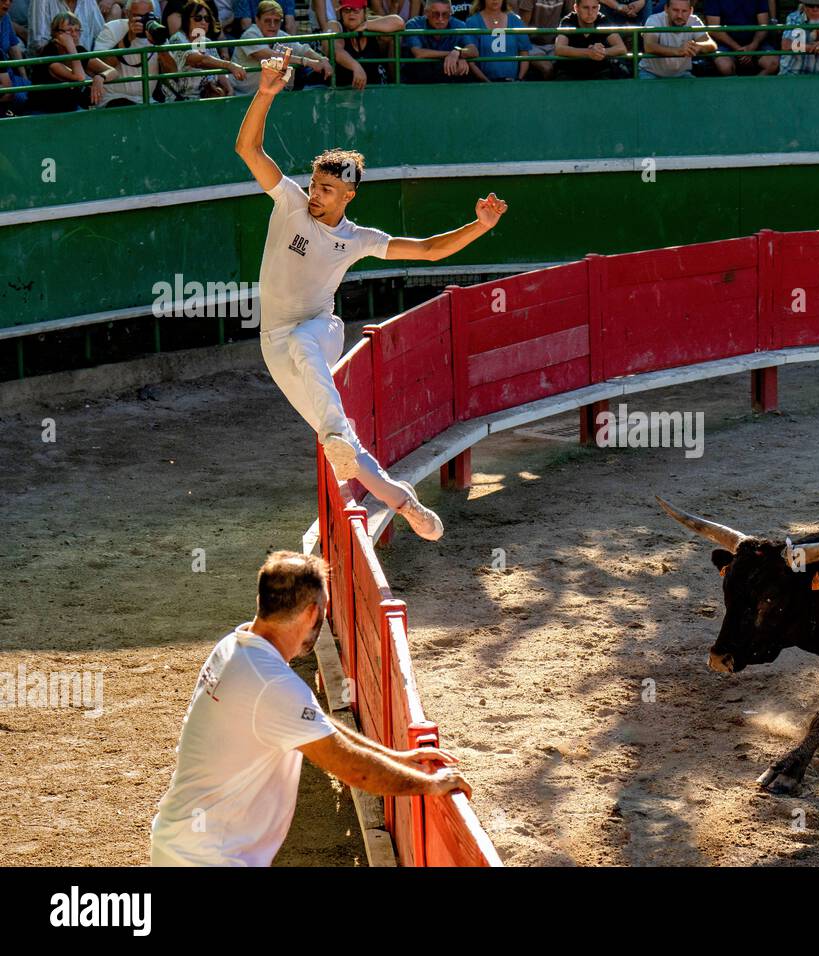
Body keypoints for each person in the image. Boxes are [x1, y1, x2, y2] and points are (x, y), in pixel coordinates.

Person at [234, 52, 508, 538]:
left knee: (311, 363)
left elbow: (426, 250)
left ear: (348, 196)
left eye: (327, 189)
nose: (315, 195)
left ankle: (338, 435)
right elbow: (248, 149)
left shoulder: (358, 238)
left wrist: (480, 226)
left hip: (320, 333)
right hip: (273, 343)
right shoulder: (290, 203)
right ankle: (402, 500)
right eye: (315, 185)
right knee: (338, 440)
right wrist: (265, 93)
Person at [150, 551, 473, 866]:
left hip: (182, 845)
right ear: (310, 613)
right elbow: (352, 768)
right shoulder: (273, 685)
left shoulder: (233, 647)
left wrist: (397, 758)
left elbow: (323, 730)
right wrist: (431, 784)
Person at [231, 0, 331, 94]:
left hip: (269, 97)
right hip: (241, 95)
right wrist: (307, 61)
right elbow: (269, 55)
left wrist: (322, 59)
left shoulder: (280, 34)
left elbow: (302, 49)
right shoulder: (250, 34)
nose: (272, 25)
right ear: (257, 20)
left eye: (277, 21)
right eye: (267, 21)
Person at [26, 10, 117, 110]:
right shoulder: (49, 53)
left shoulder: (79, 51)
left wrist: (100, 78)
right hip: (43, 111)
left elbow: (113, 72)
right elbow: (79, 77)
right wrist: (71, 47)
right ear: (57, 33)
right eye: (69, 30)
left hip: (69, 108)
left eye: (77, 30)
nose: (74, 34)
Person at [92, 0, 175, 105]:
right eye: (138, 16)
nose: (143, 20)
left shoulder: (156, 31)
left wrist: (160, 46)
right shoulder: (112, 28)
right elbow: (98, 65)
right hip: (114, 98)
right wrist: (127, 39)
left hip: (147, 100)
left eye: (148, 16)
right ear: (127, 14)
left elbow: (173, 73)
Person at [168, 0, 244, 98]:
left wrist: (229, 88)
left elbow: (218, 69)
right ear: (187, 20)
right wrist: (230, 65)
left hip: (204, 98)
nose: (203, 22)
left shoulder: (206, 41)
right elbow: (200, 61)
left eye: (207, 19)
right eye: (198, 18)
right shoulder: (177, 39)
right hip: (181, 100)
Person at [403, 0, 484, 82]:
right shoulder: (414, 24)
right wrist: (453, 55)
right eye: (435, 14)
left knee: (464, 69)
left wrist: (458, 52)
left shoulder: (459, 25)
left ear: (450, 13)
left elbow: (474, 51)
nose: (440, 19)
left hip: (448, 77)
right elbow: (419, 53)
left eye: (445, 14)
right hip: (417, 79)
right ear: (426, 13)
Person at [330, 0, 405, 89]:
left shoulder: (369, 23)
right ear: (341, 12)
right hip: (343, 90)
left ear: (364, 11)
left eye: (356, 10)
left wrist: (366, 25)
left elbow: (399, 22)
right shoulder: (335, 25)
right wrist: (356, 67)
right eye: (346, 10)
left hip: (373, 89)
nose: (351, 14)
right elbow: (336, 51)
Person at [639, 0, 715, 77]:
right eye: (675, 10)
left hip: (682, 74)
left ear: (691, 11)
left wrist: (698, 46)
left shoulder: (694, 20)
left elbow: (711, 44)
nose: (679, 15)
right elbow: (649, 46)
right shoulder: (654, 20)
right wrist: (679, 51)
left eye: (684, 11)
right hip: (650, 73)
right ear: (666, 9)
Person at [554, 0, 628, 78]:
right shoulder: (568, 21)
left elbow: (621, 48)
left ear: (599, 8)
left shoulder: (603, 20)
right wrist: (588, 52)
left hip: (600, 71)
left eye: (594, 7)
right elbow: (559, 49)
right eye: (585, 8)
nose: (590, 12)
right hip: (570, 72)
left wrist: (600, 52)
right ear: (576, 8)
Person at [463, 0, 531, 80]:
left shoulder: (516, 21)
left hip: (512, 83)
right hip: (483, 85)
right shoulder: (472, 22)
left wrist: (519, 79)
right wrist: (486, 82)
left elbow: (524, 54)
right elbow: (471, 61)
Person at [704, 0, 777, 74]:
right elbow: (714, 29)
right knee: (724, 66)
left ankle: (755, 83)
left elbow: (763, 25)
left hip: (756, 43)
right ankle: (735, 85)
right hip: (725, 44)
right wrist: (739, 49)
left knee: (773, 63)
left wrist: (753, 46)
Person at [517, 0, 564, 76]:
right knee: (547, 68)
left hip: (556, 44)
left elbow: (568, 19)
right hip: (533, 45)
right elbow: (523, 26)